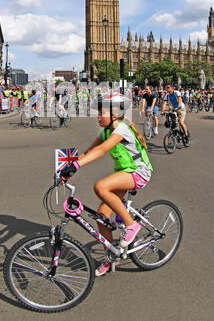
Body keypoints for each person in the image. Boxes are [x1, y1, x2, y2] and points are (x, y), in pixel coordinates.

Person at [59, 93, 153, 277]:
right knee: (101, 217)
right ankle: (111, 257)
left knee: (100, 187)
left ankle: (131, 225)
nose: (98, 116)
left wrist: (76, 166)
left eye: (102, 112)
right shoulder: (106, 131)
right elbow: (89, 152)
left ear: (115, 114)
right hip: (124, 173)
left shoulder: (122, 129)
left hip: (139, 172)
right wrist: (66, 168)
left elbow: (102, 150)